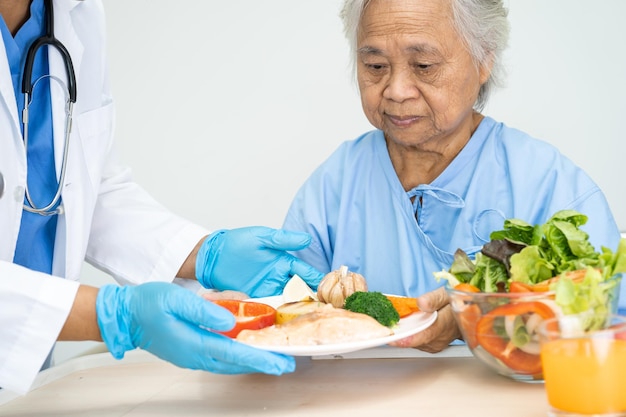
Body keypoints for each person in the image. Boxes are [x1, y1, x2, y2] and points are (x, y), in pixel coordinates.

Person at [0, 0, 324, 394]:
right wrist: (114, 316)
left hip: (25, 375)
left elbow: (82, 187)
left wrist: (203, 253)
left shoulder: (76, 13)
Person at [282, 0, 624, 353]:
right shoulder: (333, 185)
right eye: (376, 65)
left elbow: (611, 328)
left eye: (424, 65)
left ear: (484, 60)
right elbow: (285, 313)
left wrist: (479, 320)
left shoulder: (548, 186)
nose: (396, 90)